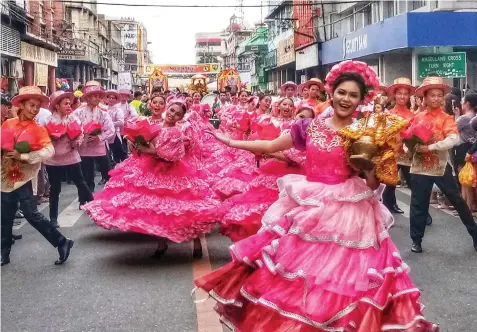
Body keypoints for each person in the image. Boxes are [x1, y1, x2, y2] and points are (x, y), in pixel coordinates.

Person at [195, 62, 437, 331]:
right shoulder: (307, 127)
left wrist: (368, 166)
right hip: (309, 206)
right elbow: (271, 145)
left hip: (349, 211)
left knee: (342, 281)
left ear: (361, 99)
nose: (346, 99)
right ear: (331, 93)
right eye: (342, 92)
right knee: (297, 276)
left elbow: (371, 185)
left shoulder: (366, 132)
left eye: (353, 95)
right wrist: (230, 141)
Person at [82, 98, 221, 259]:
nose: (172, 115)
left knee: (187, 209)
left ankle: (196, 243)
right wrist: (135, 145)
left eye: (177, 114)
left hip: (175, 174)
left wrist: (149, 150)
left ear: (181, 117)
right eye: (171, 111)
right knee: (159, 210)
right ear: (166, 110)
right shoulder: (155, 126)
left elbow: (174, 155)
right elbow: (142, 146)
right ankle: (161, 244)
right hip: (153, 171)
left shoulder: (176, 132)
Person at [1, 86, 74, 266]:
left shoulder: (38, 129)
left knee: (31, 214)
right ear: (22, 105)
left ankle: (62, 241)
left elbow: (49, 151)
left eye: (37, 106)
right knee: (5, 215)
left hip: (25, 177)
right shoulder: (8, 124)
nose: (35, 110)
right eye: (31, 105)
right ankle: (4, 253)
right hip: (5, 176)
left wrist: (24, 156)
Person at [409, 76, 477, 253]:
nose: (437, 98)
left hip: (441, 166)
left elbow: (453, 140)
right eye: (432, 95)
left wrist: (430, 147)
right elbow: (407, 140)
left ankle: (475, 235)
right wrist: (409, 148)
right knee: (418, 203)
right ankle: (416, 240)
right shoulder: (417, 118)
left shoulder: (446, 118)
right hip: (420, 167)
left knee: (458, 201)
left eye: (440, 95)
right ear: (424, 97)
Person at [44, 90, 94, 228]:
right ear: (57, 106)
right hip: (53, 160)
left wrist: (75, 141)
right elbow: (43, 140)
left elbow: (80, 135)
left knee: (81, 184)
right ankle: (53, 218)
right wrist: (53, 139)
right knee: (55, 189)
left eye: (69, 103)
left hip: (71, 157)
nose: (68, 106)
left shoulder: (73, 118)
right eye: (65, 104)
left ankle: (96, 211)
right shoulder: (48, 121)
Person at [73, 83, 115, 192]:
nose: (97, 98)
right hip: (84, 149)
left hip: (99, 148)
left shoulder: (103, 113)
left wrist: (100, 137)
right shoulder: (77, 113)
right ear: (87, 98)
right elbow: (72, 129)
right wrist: (81, 137)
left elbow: (111, 130)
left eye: (99, 96)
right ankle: (87, 198)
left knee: (107, 173)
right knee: (86, 176)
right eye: (94, 96)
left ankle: (111, 196)